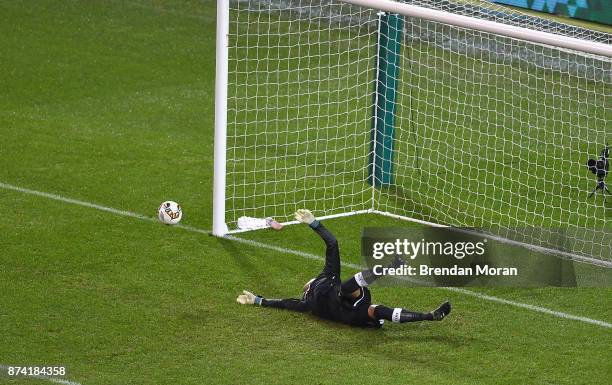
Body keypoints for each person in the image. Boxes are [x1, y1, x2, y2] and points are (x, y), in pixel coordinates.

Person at [236, 209, 451, 328]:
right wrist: (257, 300)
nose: (304, 286)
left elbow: (332, 244)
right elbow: (283, 303)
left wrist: (315, 223)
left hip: (347, 300)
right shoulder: (305, 302)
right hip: (352, 316)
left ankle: (425, 312)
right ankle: (428, 314)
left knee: (348, 289)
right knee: (374, 310)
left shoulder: (324, 279)